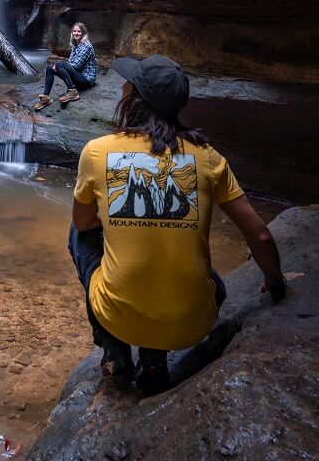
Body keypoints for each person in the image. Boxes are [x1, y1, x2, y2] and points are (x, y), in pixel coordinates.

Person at [68, 53, 292, 395]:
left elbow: (83, 222)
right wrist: (276, 284)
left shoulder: (98, 151)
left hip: (120, 316)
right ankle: (155, 361)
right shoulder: (207, 156)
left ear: (134, 97)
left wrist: (122, 216)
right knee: (207, 278)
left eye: (128, 85)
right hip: (193, 323)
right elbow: (259, 234)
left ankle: (115, 351)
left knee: (78, 234)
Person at [34, 23, 97, 111]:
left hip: (86, 80)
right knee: (50, 68)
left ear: (83, 33)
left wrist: (59, 64)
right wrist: (59, 66)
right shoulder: (75, 44)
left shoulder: (87, 46)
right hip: (77, 76)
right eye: (74, 31)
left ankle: (73, 92)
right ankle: (46, 98)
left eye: (79, 31)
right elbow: (70, 62)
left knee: (60, 64)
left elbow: (77, 65)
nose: (76, 33)